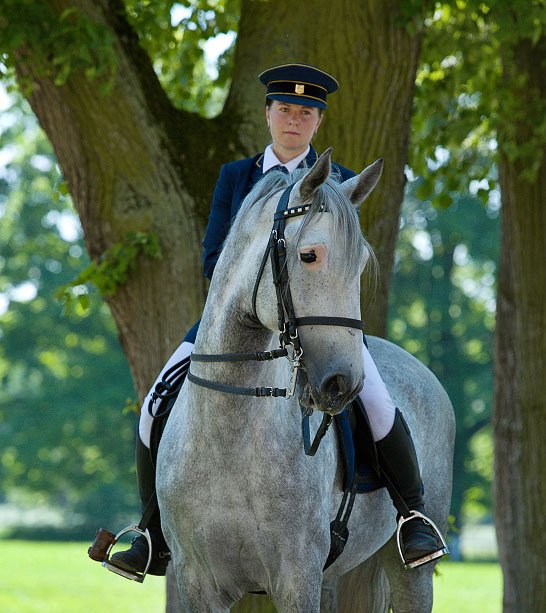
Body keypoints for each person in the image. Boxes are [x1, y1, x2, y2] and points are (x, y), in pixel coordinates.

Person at [107, 63, 447, 579]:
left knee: (375, 397)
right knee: (156, 400)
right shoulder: (236, 177)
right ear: (268, 114)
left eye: (305, 112)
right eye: (285, 109)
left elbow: (344, 262)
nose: (294, 119)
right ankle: (154, 532)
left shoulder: (338, 182)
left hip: (316, 325)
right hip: (237, 326)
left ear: (317, 124)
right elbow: (212, 260)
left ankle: (412, 514)